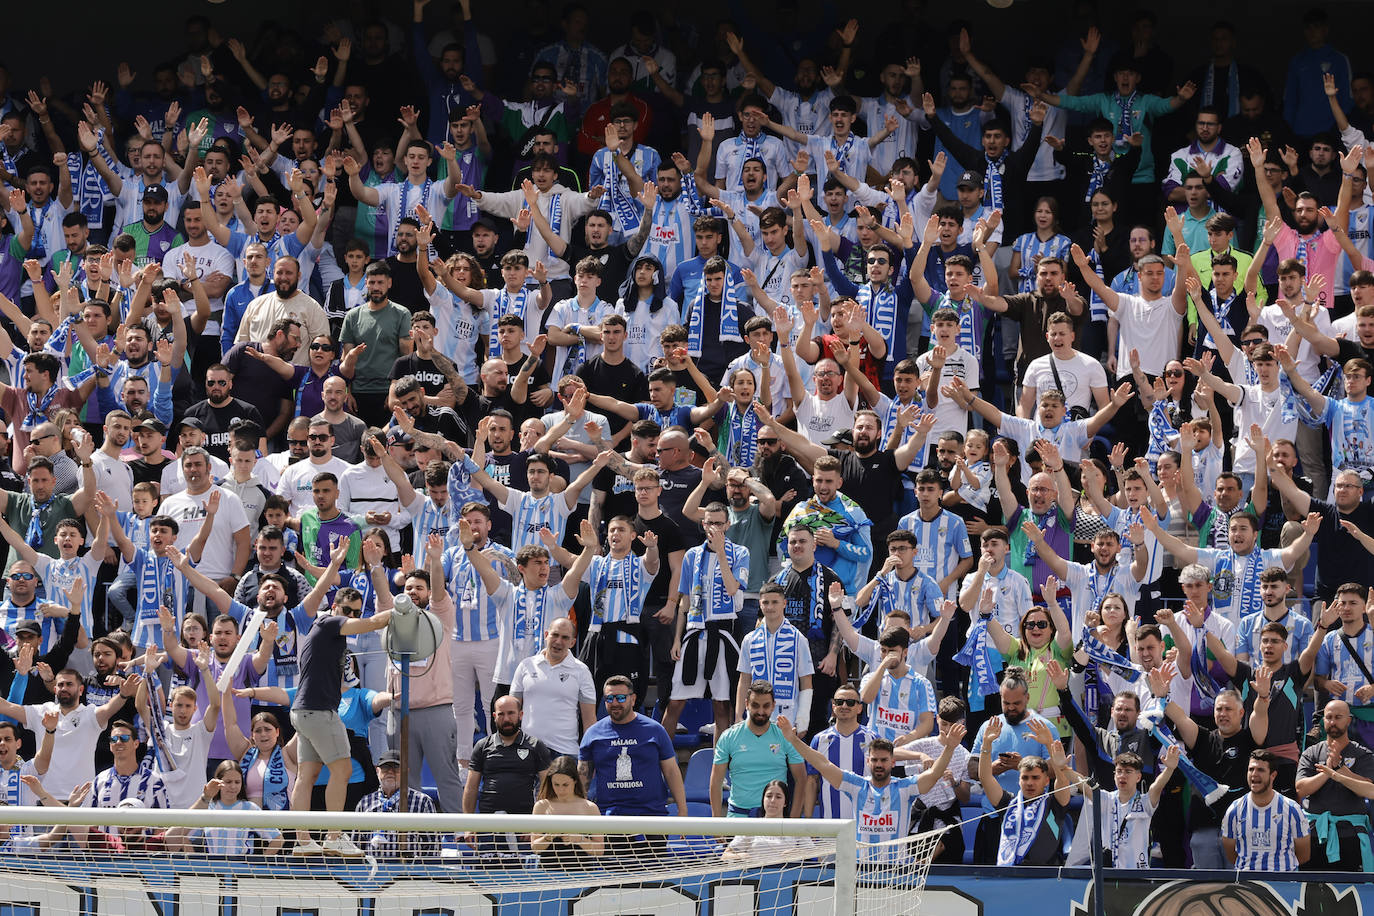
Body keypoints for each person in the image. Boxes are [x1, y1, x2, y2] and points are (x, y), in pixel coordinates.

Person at [287, 576, 394, 856]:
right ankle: (334, 837)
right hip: (320, 711)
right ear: (335, 607)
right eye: (347, 610)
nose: (352, 617)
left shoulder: (328, 631)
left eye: (356, 612)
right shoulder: (327, 622)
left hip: (302, 712)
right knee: (343, 770)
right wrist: (402, 610)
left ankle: (303, 840)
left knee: (307, 775)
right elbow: (372, 624)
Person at [779, 712, 964, 852]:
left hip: (895, 872)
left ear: (893, 762)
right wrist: (793, 740)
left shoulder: (904, 788)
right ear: (868, 762)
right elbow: (823, 764)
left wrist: (949, 748)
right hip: (861, 869)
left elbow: (933, 775)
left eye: (884, 760)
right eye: (874, 760)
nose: (879, 765)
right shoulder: (856, 785)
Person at [579, 675, 689, 859]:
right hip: (610, 819)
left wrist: (682, 810)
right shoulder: (593, 734)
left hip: (652, 817)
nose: (615, 703)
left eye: (621, 698)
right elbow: (582, 777)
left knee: (653, 882)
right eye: (609, 698)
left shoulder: (654, 730)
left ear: (633, 698)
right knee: (614, 882)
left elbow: (671, 771)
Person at [711, 680, 806, 818]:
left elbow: (801, 779)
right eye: (755, 705)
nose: (760, 711)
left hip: (775, 821)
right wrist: (716, 821)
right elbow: (716, 781)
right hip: (739, 818)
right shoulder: (729, 737)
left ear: (773, 706)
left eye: (766, 706)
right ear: (746, 704)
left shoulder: (785, 736)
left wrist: (794, 819)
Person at [510, 617, 596, 758]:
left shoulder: (582, 671)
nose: (558, 641)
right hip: (527, 752)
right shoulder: (525, 665)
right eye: (555, 635)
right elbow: (512, 711)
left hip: (565, 754)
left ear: (573, 642)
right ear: (545, 635)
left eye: (565, 637)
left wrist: (589, 758)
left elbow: (589, 720)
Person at [464, 694, 553, 828]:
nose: (506, 719)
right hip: (488, 824)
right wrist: (468, 826)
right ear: (494, 717)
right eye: (501, 714)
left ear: (521, 714)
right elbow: (471, 788)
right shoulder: (482, 746)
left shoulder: (536, 746)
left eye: (511, 713)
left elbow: (547, 788)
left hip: (524, 825)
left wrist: (536, 825)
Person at [1221, 749, 1311, 871]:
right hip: (1247, 884)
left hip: (1282, 885)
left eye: (1260, 770)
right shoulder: (1234, 810)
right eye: (1251, 769)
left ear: (1273, 775)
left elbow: (1304, 855)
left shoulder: (1292, 809)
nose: (1254, 774)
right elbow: (1231, 854)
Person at [353, 748, 439, 859]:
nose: (390, 771)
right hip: (374, 871)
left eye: (396, 768)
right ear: (377, 771)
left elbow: (432, 845)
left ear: (406, 771)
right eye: (385, 768)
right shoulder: (365, 803)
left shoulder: (422, 802)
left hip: (410, 872)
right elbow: (357, 845)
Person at [530, 755, 603, 865]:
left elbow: (600, 850)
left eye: (565, 784)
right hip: (548, 873)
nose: (561, 790)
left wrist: (579, 839)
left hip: (582, 873)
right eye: (556, 784)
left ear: (575, 781)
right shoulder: (541, 806)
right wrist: (550, 836)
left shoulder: (590, 808)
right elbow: (535, 847)